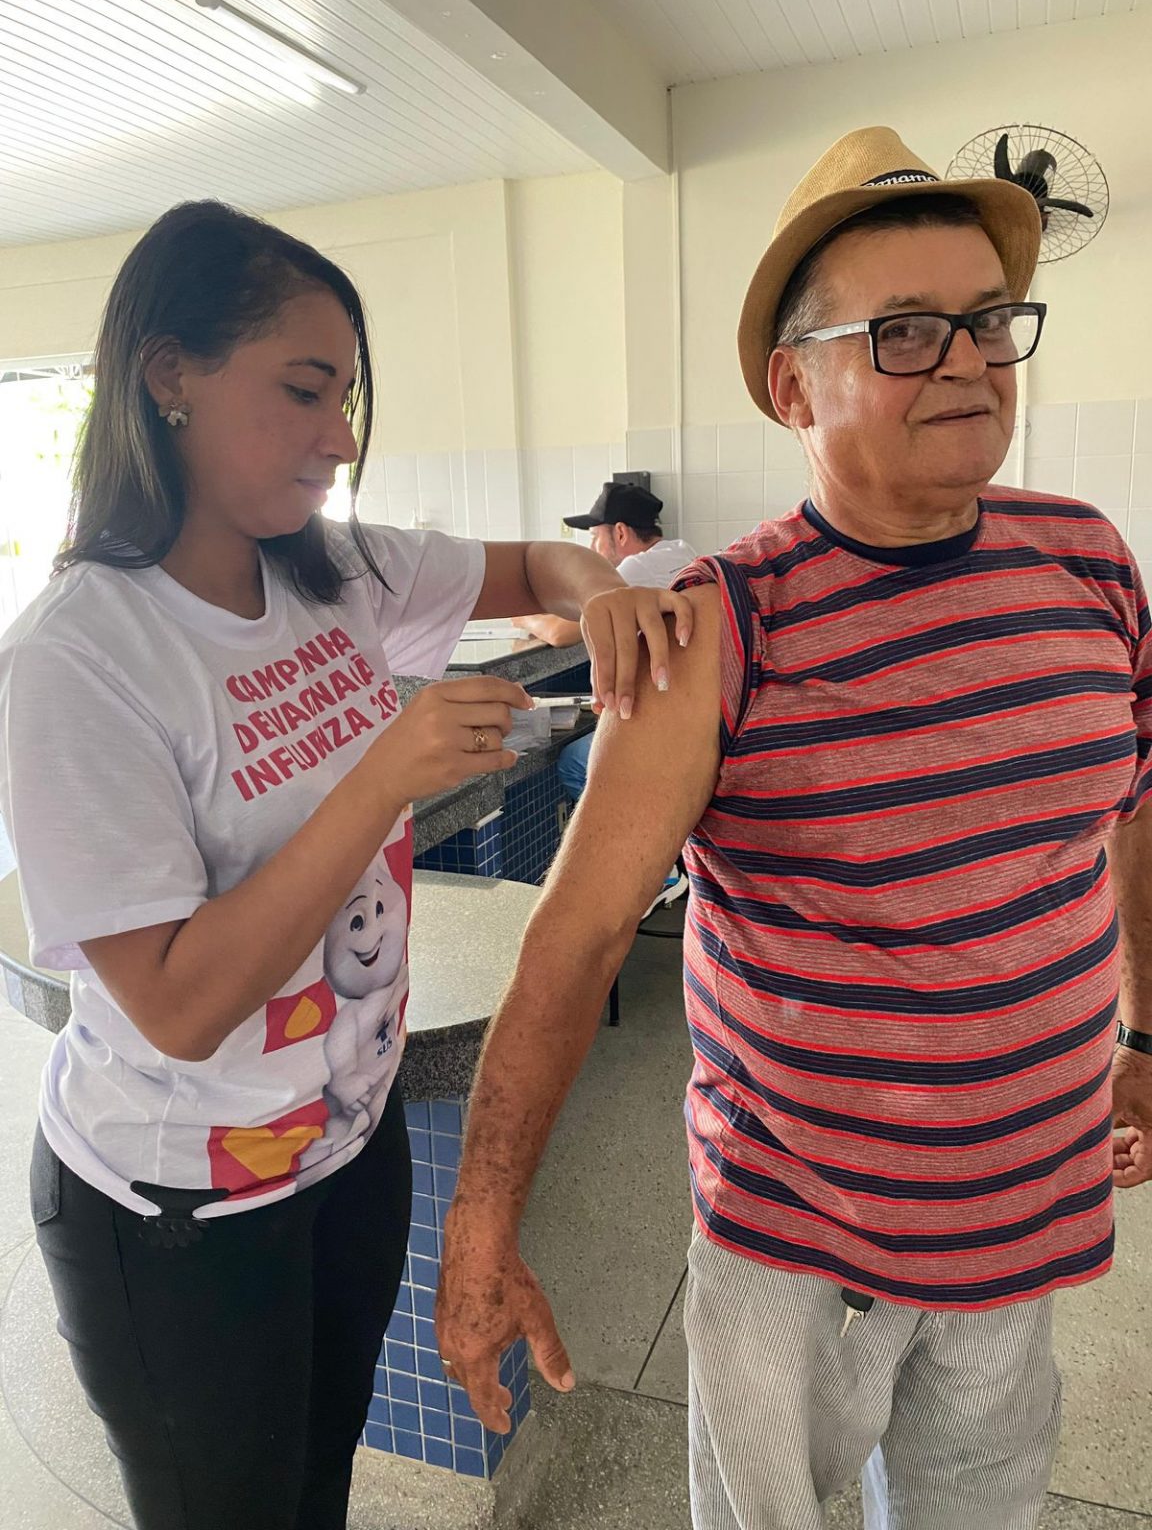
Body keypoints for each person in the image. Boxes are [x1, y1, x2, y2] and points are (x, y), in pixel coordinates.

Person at [436, 126, 1152, 1530]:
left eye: (988, 322)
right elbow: (577, 940)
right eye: (905, 332)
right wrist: (483, 1223)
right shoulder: (721, 631)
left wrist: (1144, 1030)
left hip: (1030, 1210)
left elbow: (1132, 810)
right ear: (792, 386)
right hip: (797, 1248)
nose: (967, 362)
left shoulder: (1091, 561)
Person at [0, 200, 695, 1530]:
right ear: (169, 376)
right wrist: (383, 773)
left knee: (318, 1490)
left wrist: (599, 591)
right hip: (179, 1209)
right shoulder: (78, 658)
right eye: (304, 391)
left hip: (345, 1150)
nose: (341, 436)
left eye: (349, 398)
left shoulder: (337, 570)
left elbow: (535, 560)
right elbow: (180, 1004)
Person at [513, 482, 698, 799]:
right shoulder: (682, 551)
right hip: (691, 707)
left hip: (666, 719)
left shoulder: (636, 569)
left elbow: (561, 633)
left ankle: (632, 824)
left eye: (595, 536)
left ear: (620, 533)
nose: (593, 547)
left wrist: (522, 618)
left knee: (573, 762)